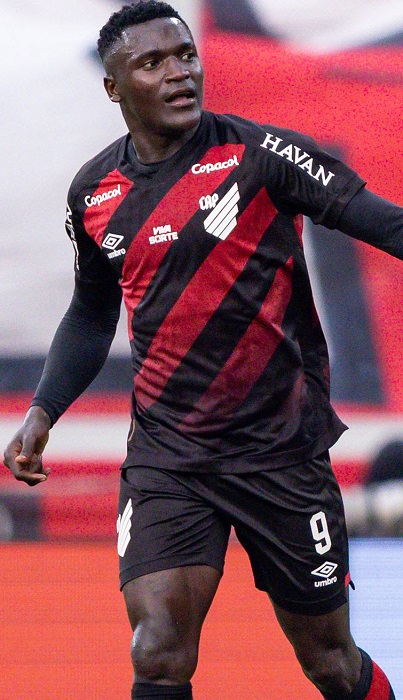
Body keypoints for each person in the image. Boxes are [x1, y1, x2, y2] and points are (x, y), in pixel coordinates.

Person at [3, 2, 402, 698]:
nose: (179, 72)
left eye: (185, 54)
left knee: (330, 662)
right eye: (153, 62)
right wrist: (42, 413)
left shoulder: (263, 155)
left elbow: (385, 223)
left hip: (280, 452)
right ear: (114, 87)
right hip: (170, 457)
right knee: (158, 651)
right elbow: (91, 315)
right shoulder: (95, 192)